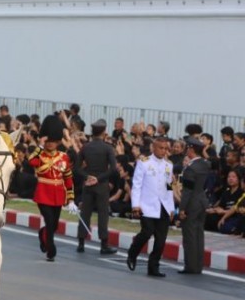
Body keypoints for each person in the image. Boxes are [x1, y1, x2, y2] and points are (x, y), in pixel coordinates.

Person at [28, 115, 77, 261]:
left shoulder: (63, 157)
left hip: (58, 194)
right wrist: (40, 146)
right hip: (43, 193)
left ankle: (43, 233)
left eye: (53, 142)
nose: (50, 144)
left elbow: (68, 178)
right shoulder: (40, 154)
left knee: (54, 225)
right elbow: (31, 161)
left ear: (57, 142)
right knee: (49, 221)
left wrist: (71, 199)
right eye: (48, 142)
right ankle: (51, 249)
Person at [126, 137, 175, 277]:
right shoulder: (144, 162)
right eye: (161, 148)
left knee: (160, 240)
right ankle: (132, 253)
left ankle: (153, 267)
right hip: (147, 206)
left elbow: (169, 188)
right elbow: (137, 185)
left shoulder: (168, 165)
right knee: (147, 232)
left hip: (163, 206)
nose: (164, 151)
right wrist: (135, 205)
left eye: (166, 148)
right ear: (153, 147)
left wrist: (171, 207)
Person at [74, 119, 117, 254]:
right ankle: (104, 244)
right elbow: (113, 168)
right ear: (104, 132)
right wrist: (98, 179)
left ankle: (81, 243)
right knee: (103, 215)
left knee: (85, 213)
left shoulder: (85, 147)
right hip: (102, 185)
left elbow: (76, 168)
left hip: (88, 184)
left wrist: (88, 177)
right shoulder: (108, 148)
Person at [178, 137, 211, 274]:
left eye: (188, 148)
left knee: (190, 235)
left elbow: (187, 191)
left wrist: (182, 209)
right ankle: (198, 265)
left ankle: (190, 266)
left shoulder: (190, 169)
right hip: (202, 201)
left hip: (191, 203)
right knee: (199, 234)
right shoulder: (205, 164)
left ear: (191, 149)